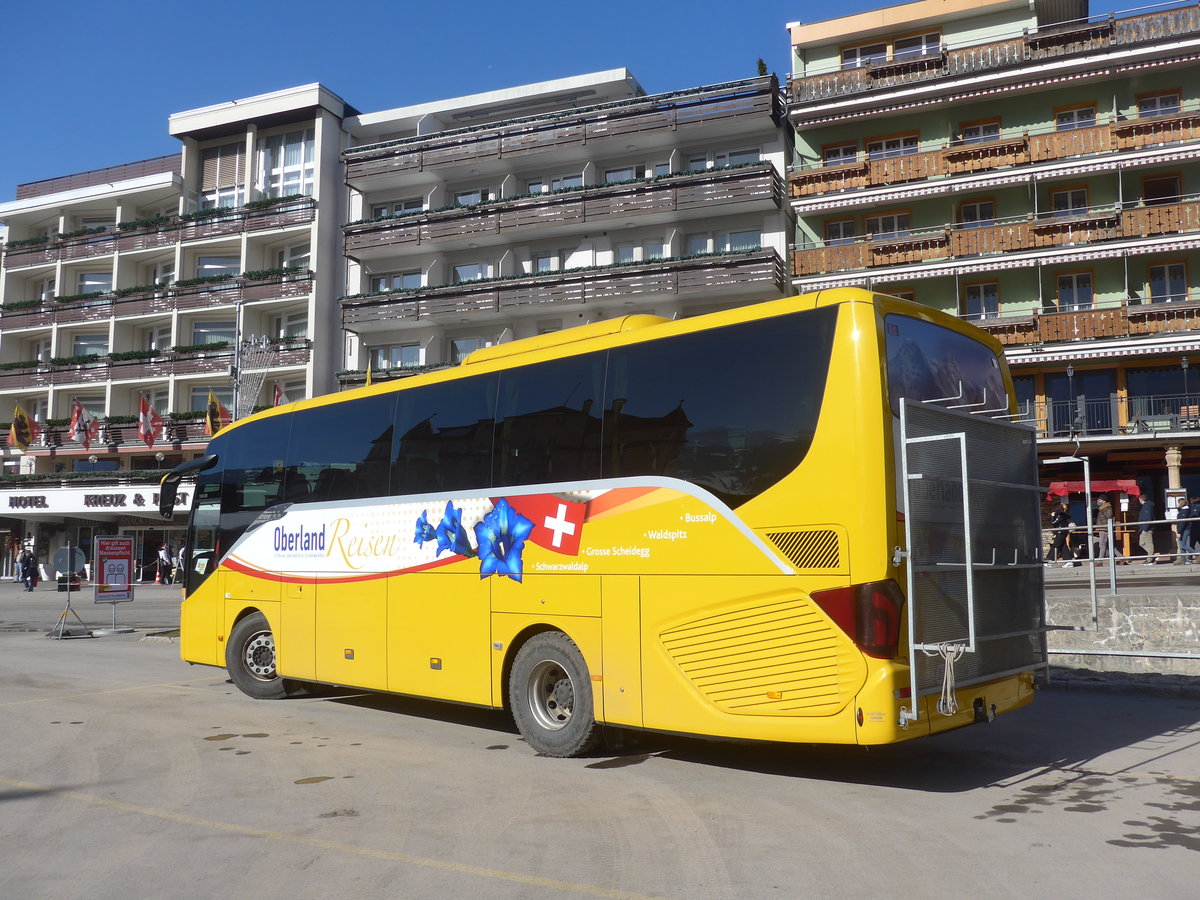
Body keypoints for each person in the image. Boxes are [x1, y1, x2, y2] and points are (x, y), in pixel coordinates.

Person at [1094, 497, 1123, 565]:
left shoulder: (1106, 508)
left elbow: (1110, 517)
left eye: (1099, 500)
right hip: (1102, 528)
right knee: (1108, 546)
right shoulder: (1103, 508)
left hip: (1104, 528)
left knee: (1102, 545)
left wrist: (1108, 528)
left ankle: (1099, 561)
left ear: (1104, 501)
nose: (1098, 501)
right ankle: (1121, 557)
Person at [1047, 499, 1076, 567]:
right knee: (1063, 546)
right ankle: (1069, 561)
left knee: (1055, 546)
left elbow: (1053, 523)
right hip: (1062, 532)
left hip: (1060, 532)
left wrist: (1053, 516)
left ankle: (1050, 561)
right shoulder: (1062, 515)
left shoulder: (1060, 515)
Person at [1138, 495, 1157, 564]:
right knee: (1141, 543)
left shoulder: (1147, 507)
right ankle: (1152, 556)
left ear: (1141, 500)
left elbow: (1148, 518)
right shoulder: (1146, 506)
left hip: (1146, 529)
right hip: (1144, 528)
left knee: (1148, 544)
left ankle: (1150, 559)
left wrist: (1145, 529)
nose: (1139, 501)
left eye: (1139, 500)